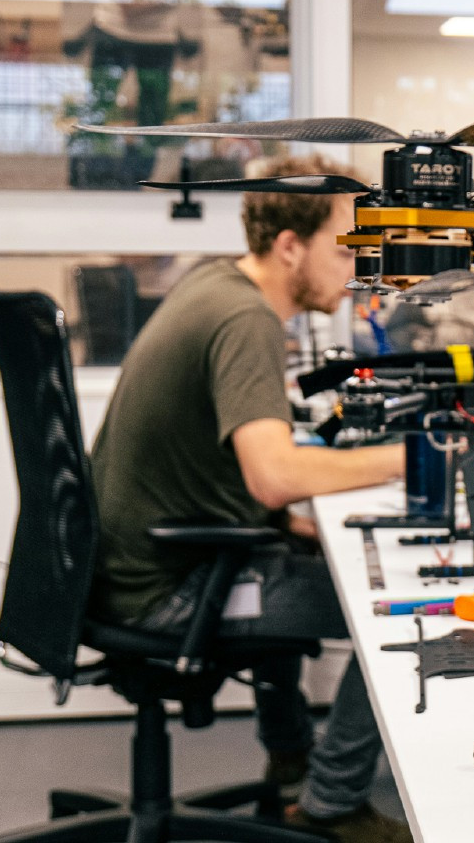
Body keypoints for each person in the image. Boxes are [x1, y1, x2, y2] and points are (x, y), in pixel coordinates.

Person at [89, 154, 410, 843]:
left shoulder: (217, 283)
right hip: (168, 589)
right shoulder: (247, 322)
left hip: (147, 561)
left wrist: (298, 516)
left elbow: (248, 474)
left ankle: (293, 766)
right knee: (395, 612)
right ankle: (332, 803)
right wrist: (407, 460)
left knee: (306, 555)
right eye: (347, 245)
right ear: (290, 246)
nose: (361, 263)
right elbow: (272, 476)